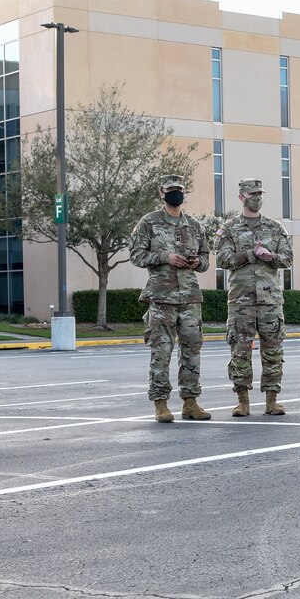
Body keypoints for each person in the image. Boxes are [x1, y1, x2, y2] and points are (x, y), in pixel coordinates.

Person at [130, 173, 211, 422]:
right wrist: (165, 257)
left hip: (189, 298)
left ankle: (190, 402)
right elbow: (136, 255)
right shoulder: (149, 222)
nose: (176, 193)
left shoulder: (195, 226)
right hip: (161, 297)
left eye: (179, 189)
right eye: (171, 189)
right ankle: (161, 404)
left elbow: (206, 260)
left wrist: (197, 262)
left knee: (191, 351)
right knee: (161, 352)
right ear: (161, 193)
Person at [217, 177, 292, 416]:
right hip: (241, 303)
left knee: (273, 352)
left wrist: (271, 257)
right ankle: (243, 401)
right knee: (240, 351)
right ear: (242, 197)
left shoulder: (275, 227)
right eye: (252, 195)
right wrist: (250, 254)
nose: (257, 198)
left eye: (260, 194)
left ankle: (272, 400)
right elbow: (222, 259)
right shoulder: (229, 228)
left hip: (270, 302)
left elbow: (288, 257)